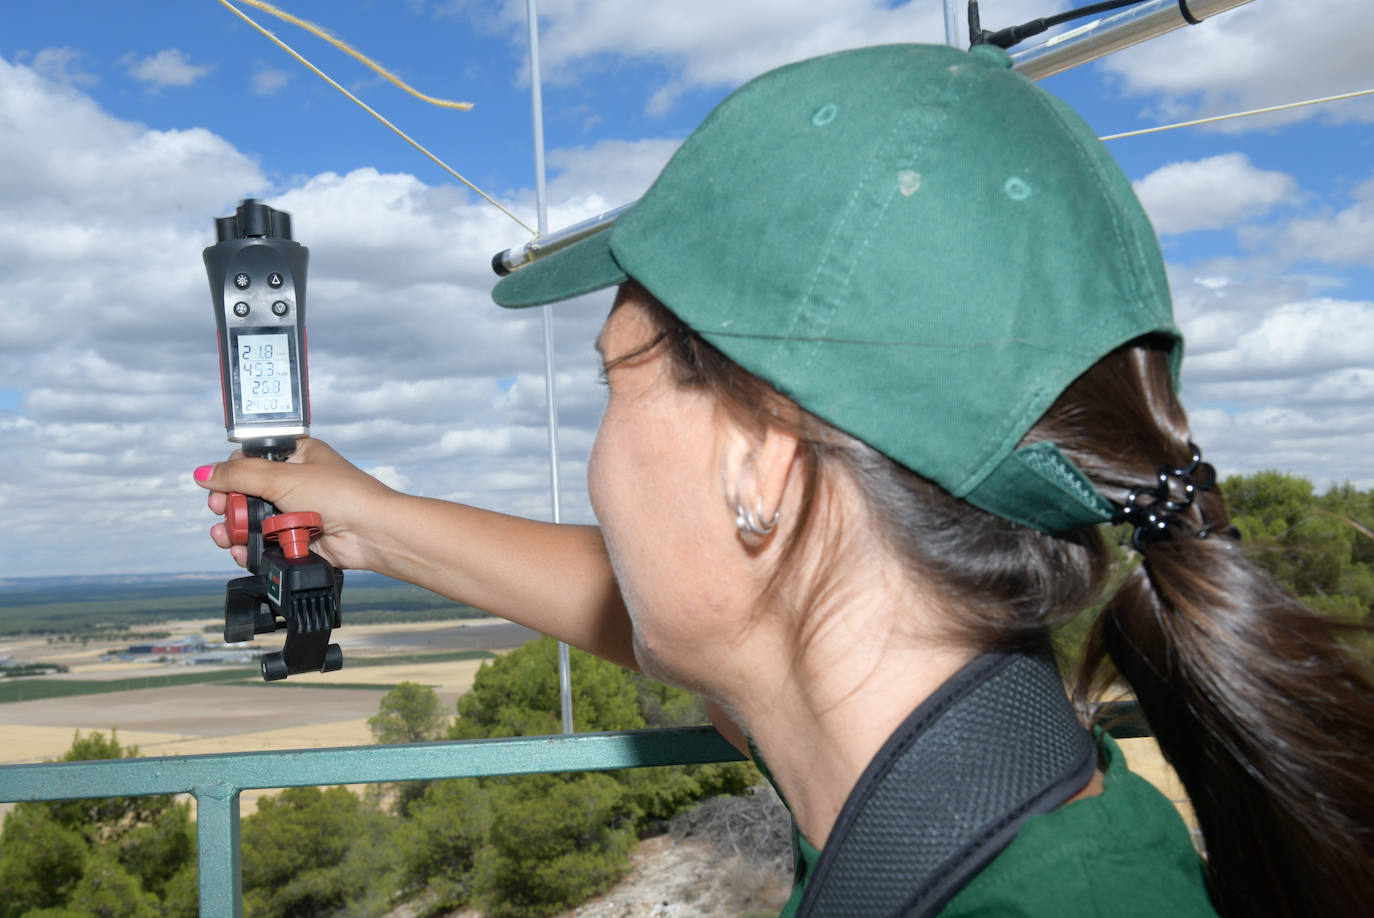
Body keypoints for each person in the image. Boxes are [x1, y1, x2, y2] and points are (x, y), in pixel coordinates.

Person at [195, 43, 1374, 918]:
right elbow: (707, 612)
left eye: (615, 380)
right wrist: (372, 524)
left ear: (761, 457)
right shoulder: (950, 766)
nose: (600, 462)